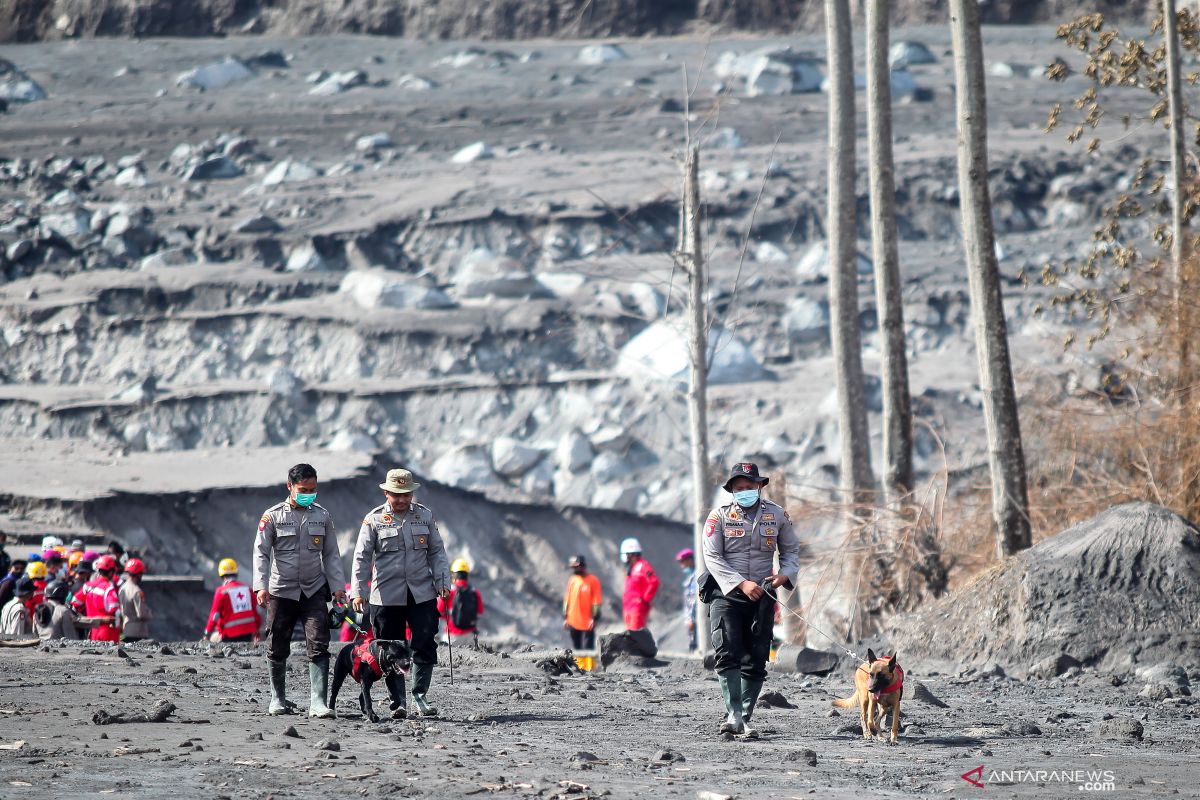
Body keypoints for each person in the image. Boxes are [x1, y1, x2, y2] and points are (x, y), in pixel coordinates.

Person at [702, 462, 801, 737]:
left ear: (759, 486)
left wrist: (784, 575)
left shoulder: (778, 515)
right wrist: (740, 584)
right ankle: (732, 713)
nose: (745, 491)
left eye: (749, 487)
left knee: (757, 656)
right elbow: (712, 556)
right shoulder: (718, 517)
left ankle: (745, 716)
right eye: (739, 488)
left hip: (763, 593)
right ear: (732, 490)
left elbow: (791, 551)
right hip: (726, 593)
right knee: (727, 650)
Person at [351, 468, 450, 718]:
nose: (402, 499)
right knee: (389, 650)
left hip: (421, 593)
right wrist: (358, 591)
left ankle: (420, 696)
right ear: (386, 492)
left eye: (406, 494)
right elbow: (361, 557)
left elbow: (436, 551)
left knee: (424, 643)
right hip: (385, 595)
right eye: (397, 495)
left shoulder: (424, 516)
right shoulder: (373, 520)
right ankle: (399, 701)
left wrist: (442, 580)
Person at [253, 463, 346, 718]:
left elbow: (331, 555)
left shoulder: (322, 516)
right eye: (304, 489)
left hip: (313, 589)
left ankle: (318, 703)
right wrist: (260, 586)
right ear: (290, 487)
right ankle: (277, 698)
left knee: (319, 642)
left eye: (313, 489)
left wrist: (338, 588)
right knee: (277, 644)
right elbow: (261, 553)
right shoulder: (272, 516)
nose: (309, 494)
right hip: (281, 591)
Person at [204, 558, 262, 643]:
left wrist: (207, 634)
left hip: (229, 635)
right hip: (248, 634)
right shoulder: (248, 589)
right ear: (236, 573)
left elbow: (215, 616)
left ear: (221, 575)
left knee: (213, 639)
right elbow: (256, 612)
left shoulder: (221, 591)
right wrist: (257, 630)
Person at [562, 555, 602, 665]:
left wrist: (595, 618)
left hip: (588, 621)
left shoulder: (593, 581)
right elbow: (567, 599)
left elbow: (597, 602)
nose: (574, 569)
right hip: (573, 620)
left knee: (588, 646)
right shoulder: (572, 580)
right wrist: (565, 617)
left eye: (576, 567)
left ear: (583, 565)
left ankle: (588, 668)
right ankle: (580, 667)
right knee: (577, 646)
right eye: (573, 567)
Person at [438, 558, 484, 644]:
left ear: (454, 575)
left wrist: (449, 617)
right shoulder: (475, 592)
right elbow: (480, 612)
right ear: (467, 576)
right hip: (470, 636)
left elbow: (438, 611)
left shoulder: (449, 591)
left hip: (452, 635)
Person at [619, 538, 659, 631]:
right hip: (629, 607)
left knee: (636, 636)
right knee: (631, 637)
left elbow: (654, 581)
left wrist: (645, 598)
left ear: (630, 554)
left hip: (637, 608)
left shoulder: (643, 566)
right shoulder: (632, 568)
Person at [82, 554, 121, 642]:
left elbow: (75, 603)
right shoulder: (108, 588)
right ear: (111, 572)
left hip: (93, 632)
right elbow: (115, 611)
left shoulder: (87, 585)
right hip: (108, 633)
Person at [119, 558, 152, 641]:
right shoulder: (137, 591)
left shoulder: (122, 588)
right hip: (138, 633)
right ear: (138, 574)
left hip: (126, 630)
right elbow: (142, 614)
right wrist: (149, 613)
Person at [676, 548, 698, 652]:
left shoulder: (696, 576)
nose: (681, 565)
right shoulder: (691, 577)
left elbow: (694, 600)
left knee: (696, 645)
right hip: (692, 619)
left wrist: (692, 619)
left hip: (696, 620)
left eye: (682, 562)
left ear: (690, 560)